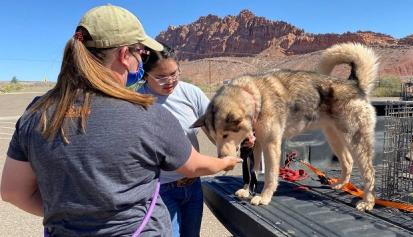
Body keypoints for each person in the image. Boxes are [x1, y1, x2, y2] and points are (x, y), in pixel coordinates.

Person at [0, 5, 241, 237]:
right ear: (125, 55)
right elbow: (193, 166)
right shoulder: (148, 114)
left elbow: (12, 191)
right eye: (140, 52)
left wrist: (72, 214)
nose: (140, 61)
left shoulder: (36, 113)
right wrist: (226, 162)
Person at [136, 44, 210, 237]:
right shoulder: (137, 101)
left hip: (193, 186)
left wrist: (236, 139)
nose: (170, 81)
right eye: (161, 77)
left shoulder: (191, 93)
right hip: (160, 191)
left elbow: (214, 127)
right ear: (145, 75)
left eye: (174, 73)